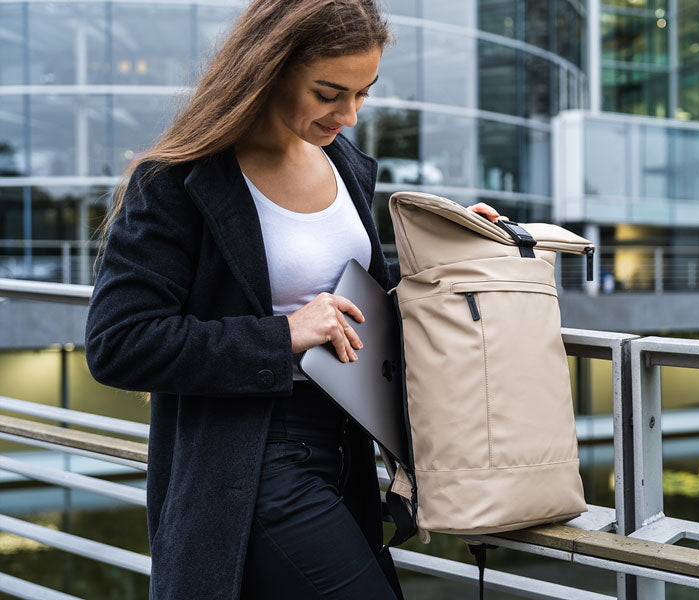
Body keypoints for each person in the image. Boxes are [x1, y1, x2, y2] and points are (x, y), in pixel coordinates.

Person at [85, 1, 502, 598]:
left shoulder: (347, 167)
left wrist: (449, 255)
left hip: (346, 446)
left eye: (363, 93)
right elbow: (118, 344)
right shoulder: (175, 182)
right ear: (270, 68)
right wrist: (282, 337)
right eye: (330, 93)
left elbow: (363, 308)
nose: (351, 115)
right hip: (249, 459)